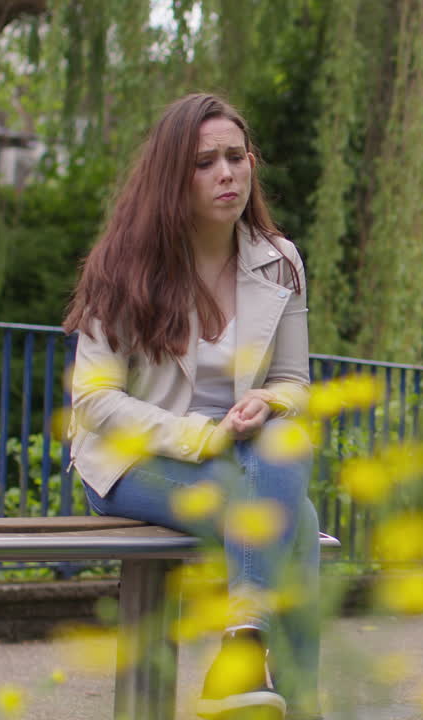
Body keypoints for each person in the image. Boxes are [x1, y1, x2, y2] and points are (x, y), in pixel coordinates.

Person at [62, 93, 320, 720]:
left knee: (286, 443)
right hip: (133, 459)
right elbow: (94, 400)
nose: (226, 172)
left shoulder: (280, 262)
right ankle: (289, 692)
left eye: (236, 156)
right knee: (299, 525)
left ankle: (243, 648)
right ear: (173, 177)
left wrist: (266, 402)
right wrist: (196, 436)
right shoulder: (124, 267)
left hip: (246, 453)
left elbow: (295, 382)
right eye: (205, 162)